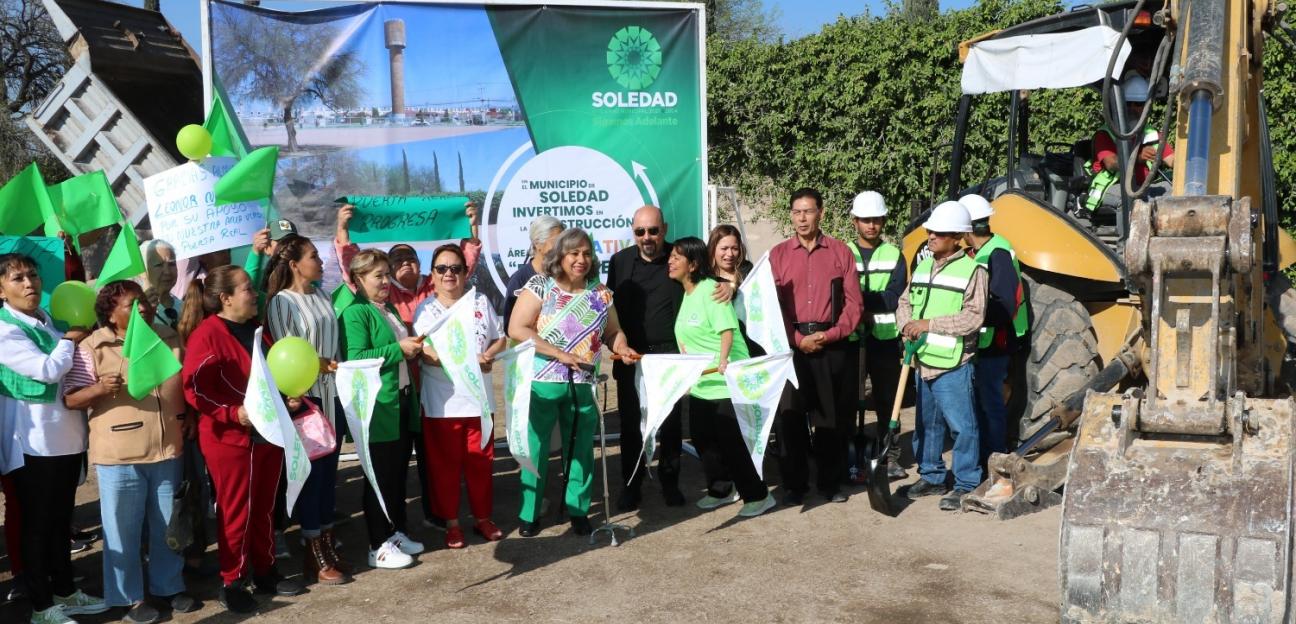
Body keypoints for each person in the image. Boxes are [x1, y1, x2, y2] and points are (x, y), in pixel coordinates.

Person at [63, 281, 196, 624]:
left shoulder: (168, 336)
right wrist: (98, 388)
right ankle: (130, 597)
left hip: (169, 449)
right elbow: (71, 398)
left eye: (145, 302)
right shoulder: (93, 346)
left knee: (168, 524)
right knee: (122, 530)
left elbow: (185, 382)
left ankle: (169, 586)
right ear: (110, 312)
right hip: (119, 455)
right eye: (132, 305)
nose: (143, 309)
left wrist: (189, 415)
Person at [180, 265, 304, 613]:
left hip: (266, 433)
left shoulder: (255, 330)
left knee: (265, 507)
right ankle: (232, 580)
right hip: (230, 439)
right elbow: (195, 391)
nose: (255, 294)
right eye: (248, 289)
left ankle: (266, 571)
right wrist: (232, 414)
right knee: (237, 510)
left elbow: (271, 376)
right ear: (226, 298)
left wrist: (287, 396)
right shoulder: (207, 335)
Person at [0, 253, 107, 624]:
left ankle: (66, 591)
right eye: (17, 278)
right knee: (37, 526)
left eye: (32, 275)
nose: (29, 283)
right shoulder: (4, 328)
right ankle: (42, 607)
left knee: (61, 521)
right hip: (31, 444)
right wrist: (72, 338)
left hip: (66, 439)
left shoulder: (46, 319)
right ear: (1, 289)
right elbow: (46, 370)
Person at [509, 228, 637, 537]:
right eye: (574, 253)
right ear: (560, 256)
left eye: (587, 253)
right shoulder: (540, 285)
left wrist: (621, 346)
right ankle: (530, 514)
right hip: (542, 381)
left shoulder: (600, 292)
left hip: (583, 382)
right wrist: (557, 353)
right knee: (535, 448)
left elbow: (613, 331)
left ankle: (578, 509)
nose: (581, 259)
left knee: (580, 449)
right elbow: (517, 327)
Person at [607, 205, 730, 510]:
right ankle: (631, 485)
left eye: (653, 230)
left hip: (670, 357)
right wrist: (617, 346)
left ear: (664, 228)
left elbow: (708, 277)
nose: (647, 237)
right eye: (639, 231)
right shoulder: (620, 261)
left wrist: (728, 285)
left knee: (671, 425)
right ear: (632, 231)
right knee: (632, 425)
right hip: (631, 357)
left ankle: (670, 483)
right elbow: (609, 311)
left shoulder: (678, 258)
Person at [263, 235, 350, 585]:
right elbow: (286, 355)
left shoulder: (322, 295)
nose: (321, 261)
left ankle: (327, 541)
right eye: (314, 256)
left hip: (333, 399)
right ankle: (312, 547)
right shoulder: (282, 303)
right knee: (312, 479)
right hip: (306, 403)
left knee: (330, 477)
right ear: (295, 263)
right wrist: (319, 366)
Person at [668, 237, 776, 517]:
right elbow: (687, 337)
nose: (670, 261)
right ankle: (721, 490)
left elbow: (727, 330)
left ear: (692, 264)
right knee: (704, 441)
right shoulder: (687, 293)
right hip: (703, 384)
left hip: (726, 381)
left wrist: (724, 360)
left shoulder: (710, 291)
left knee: (732, 443)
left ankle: (759, 496)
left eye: (676, 258)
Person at [769, 188, 863, 505]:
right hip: (791, 346)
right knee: (790, 418)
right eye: (796, 212)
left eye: (808, 211)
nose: (802, 218)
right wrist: (796, 340)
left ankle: (830, 483)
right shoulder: (778, 255)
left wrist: (832, 334)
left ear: (820, 212)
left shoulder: (840, 252)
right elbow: (771, 308)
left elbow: (854, 304)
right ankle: (795, 486)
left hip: (830, 344)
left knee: (830, 419)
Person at [412, 244, 507, 550]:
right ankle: (452, 523)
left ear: (466, 273)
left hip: (478, 400)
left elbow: (500, 337)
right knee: (445, 468)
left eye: (455, 268)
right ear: (433, 275)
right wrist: (443, 359)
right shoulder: (425, 309)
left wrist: (489, 354)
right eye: (442, 269)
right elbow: (423, 351)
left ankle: (483, 518)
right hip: (442, 403)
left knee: (480, 462)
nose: (449, 274)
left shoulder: (480, 301)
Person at [896, 201, 987, 512]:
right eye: (930, 230)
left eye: (938, 232)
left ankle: (966, 483)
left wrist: (928, 325)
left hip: (952, 364)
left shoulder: (973, 271)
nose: (930, 235)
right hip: (921, 361)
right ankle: (932, 476)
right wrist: (905, 324)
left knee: (962, 427)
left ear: (957, 237)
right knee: (926, 426)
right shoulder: (922, 266)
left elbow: (972, 319)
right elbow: (904, 301)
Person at [338, 249, 426, 569]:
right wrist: (399, 348)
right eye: (378, 275)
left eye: (387, 274)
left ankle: (396, 532)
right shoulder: (355, 313)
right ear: (359, 280)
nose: (386, 281)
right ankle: (377, 545)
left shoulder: (386, 307)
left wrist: (410, 348)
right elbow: (357, 357)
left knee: (398, 475)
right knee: (380, 478)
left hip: (399, 401)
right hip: (378, 408)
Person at [960, 194, 1028, 461]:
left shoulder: (996, 253)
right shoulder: (981, 251)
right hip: (984, 340)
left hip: (995, 341)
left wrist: (970, 317)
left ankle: (995, 456)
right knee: (983, 402)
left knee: (991, 402)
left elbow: (1003, 304)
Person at [846, 191, 908, 480]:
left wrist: (859, 300)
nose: (871, 225)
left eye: (877, 220)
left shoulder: (894, 254)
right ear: (855, 221)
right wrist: (862, 305)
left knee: (887, 401)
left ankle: (889, 456)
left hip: (884, 340)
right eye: (866, 220)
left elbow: (894, 297)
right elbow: (838, 295)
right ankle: (847, 453)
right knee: (848, 399)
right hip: (851, 340)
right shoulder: (842, 252)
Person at [1086, 72, 1175, 214]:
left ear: (1146, 107)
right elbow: (1112, 163)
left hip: (1144, 188)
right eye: (1128, 103)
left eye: (1138, 104)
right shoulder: (1105, 134)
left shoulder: (1152, 134)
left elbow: (1172, 160)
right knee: (1135, 202)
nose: (1133, 108)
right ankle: (1129, 235)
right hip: (1114, 187)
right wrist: (1139, 157)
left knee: (1176, 195)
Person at [503, 216, 564, 328]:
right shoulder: (519, 279)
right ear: (537, 243)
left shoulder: (566, 275)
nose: (562, 247)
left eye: (563, 241)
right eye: (556, 242)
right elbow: (510, 327)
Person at [140, 240, 180, 329]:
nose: (167, 272)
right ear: (143, 272)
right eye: (158, 265)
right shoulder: (137, 313)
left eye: (172, 264)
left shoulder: (185, 308)